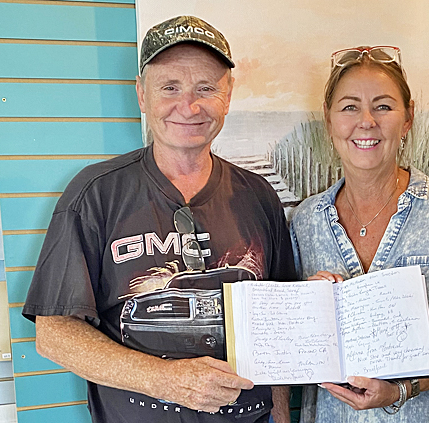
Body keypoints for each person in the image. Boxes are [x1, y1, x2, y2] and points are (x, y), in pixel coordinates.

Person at [21, 15, 295, 423]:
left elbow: (280, 329)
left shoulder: (259, 195)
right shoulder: (95, 194)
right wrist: (165, 379)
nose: (189, 106)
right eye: (170, 87)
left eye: (206, 88)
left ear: (228, 95)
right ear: (142, 95)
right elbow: (55, 333)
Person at [290, 46, 429, 422]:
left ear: (408, 119)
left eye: (384, 106)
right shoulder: (305, 221)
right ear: (329, 120)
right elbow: (293, 347)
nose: (366, 121)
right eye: (350, 107)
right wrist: (307, 307)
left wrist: (403, 389)